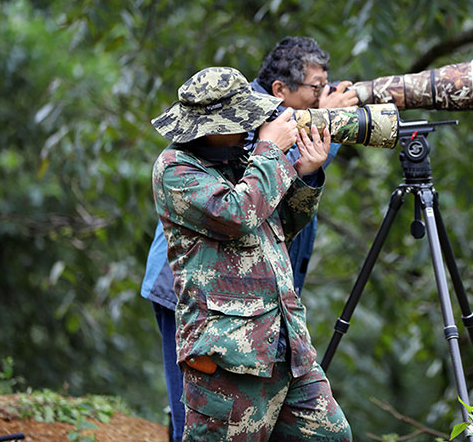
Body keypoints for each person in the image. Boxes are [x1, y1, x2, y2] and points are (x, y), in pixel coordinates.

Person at [140, 36, 358, 441]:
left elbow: (281, 225)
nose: (249, 126)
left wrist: (307, 173)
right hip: (228, 353)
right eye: (239, 121)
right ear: (210, 130)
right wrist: (270, 151)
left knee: (332, 436)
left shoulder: (245, 159)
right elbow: (238, 215)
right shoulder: (175, 170)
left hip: (285, 342)